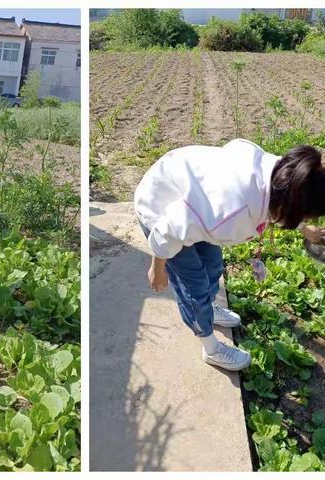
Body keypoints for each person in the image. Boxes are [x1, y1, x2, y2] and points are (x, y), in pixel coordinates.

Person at [134, 138, 325, 371]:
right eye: (304, 218)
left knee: (213, 266)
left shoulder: (281, 175)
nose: (303, 221)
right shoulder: (226, 213)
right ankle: (210, 347)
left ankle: (210, 309)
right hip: (160, 209)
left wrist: (304, 228)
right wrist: (158, 267)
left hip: (190, 197)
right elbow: (168, 231)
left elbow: (284, 200)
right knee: (194, 290)